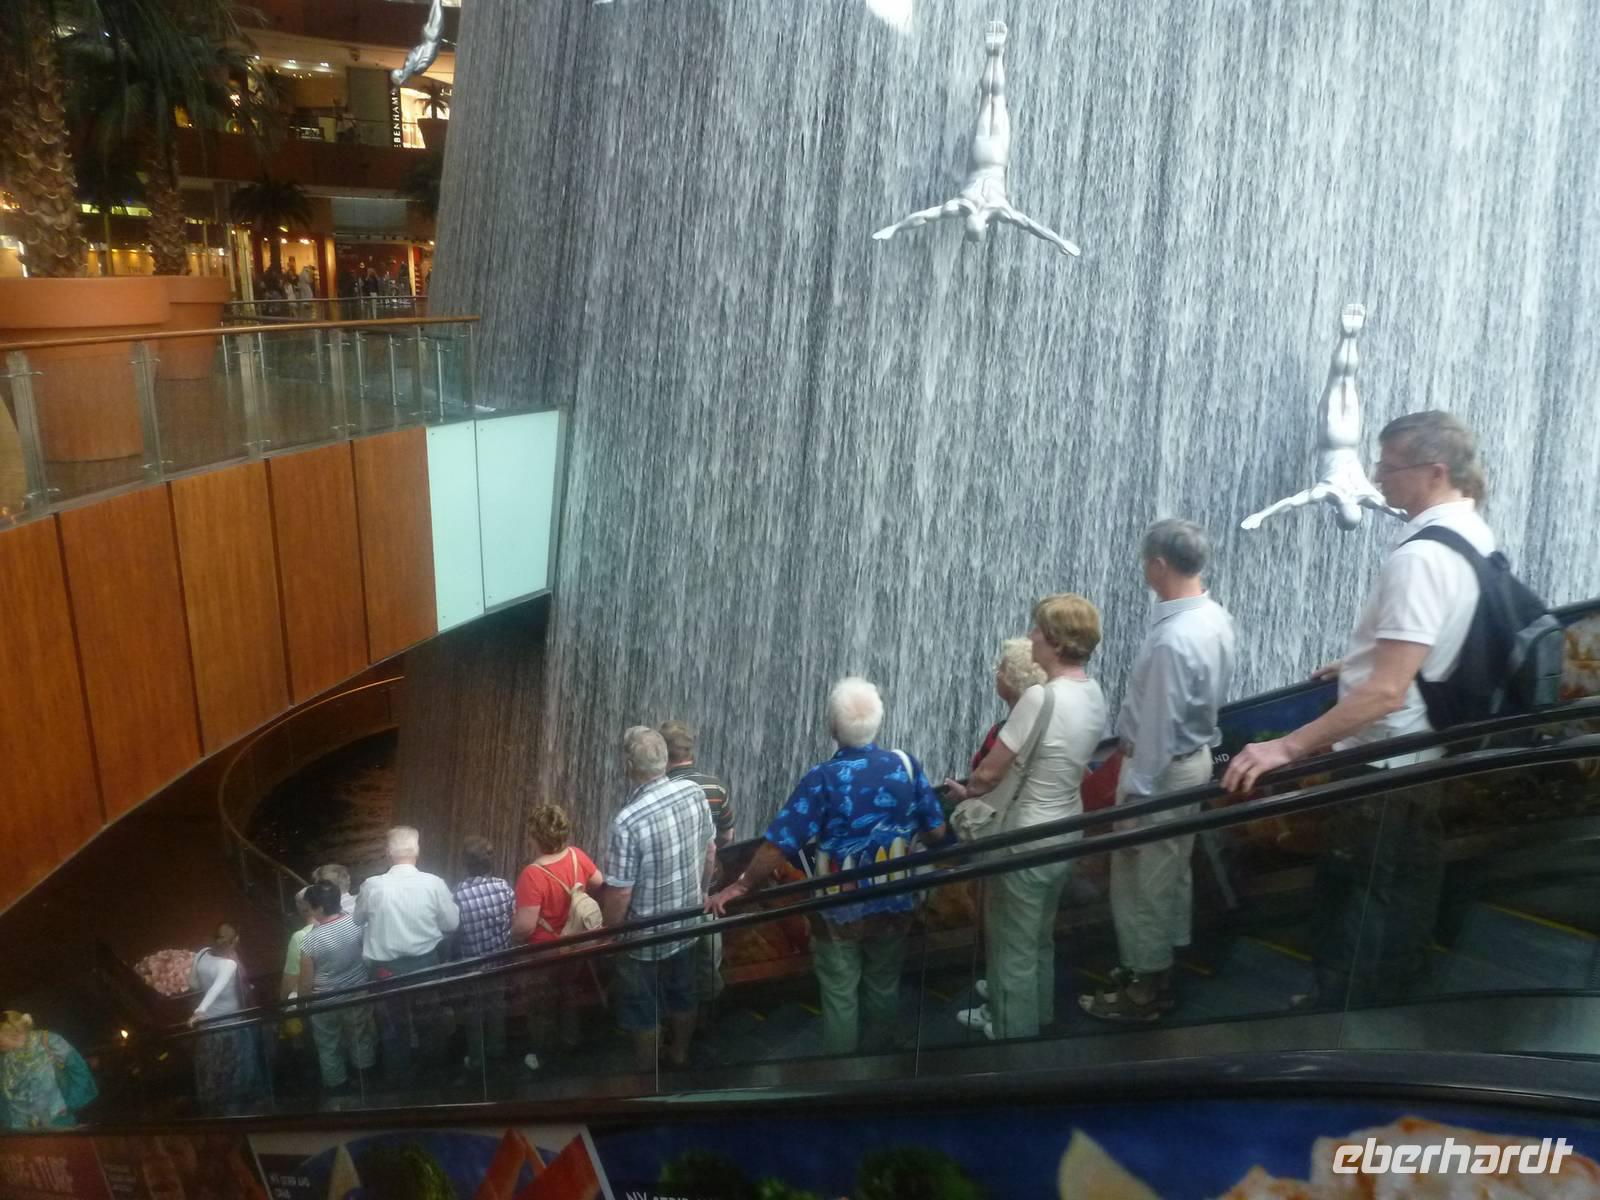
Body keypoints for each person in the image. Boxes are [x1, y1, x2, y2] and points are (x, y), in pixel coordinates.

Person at [1224, 411, 1494, 1005]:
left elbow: (1387, 693)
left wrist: (1285, 746)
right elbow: (1445, 637)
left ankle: (1342, 1018)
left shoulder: (1420, 557)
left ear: (1434, 471)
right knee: (1402, 888)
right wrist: (1362, 662)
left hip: (1384, 764)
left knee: (1364, 891)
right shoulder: (1474, 535)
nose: (1376, 478)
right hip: (1428, 751)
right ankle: (1386, 998)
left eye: (1388, 466)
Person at [709, 678, 947, 1056]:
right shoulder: (907, 766)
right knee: (883, 983)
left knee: (840, 992)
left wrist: (741, 886)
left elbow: (780, 843)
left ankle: (843, 1074)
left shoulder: (823, 779)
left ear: (833, 729)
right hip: (894, 899)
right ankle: (881, 1060)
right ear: (878, 722)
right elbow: (936, 829)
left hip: (839, 908)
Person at [1080, 520, 1236, 1023]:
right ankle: (1158, 969)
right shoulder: (1214, 617)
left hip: (1160, 770)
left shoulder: (1173, 639)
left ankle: (1142, 991)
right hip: (1190, 763)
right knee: (1168, 876)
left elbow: (1159, 729)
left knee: (1141, 882)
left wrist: (1134, 798)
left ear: (1158, 565)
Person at [942, 595, 1108, 1040]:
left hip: (1024, 837)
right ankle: (1039, 1012)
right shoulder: (1094, 693)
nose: (1031, 636)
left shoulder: (1039, 697)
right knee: (1038, 935)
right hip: (1066, 828)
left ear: (1054, 642)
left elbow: (986, 775)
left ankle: (1013, 1038)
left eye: (1037, 630)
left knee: (1013, 941)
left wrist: (966, 792)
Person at [872, 22, 1079, 256]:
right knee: (987, 99)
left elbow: (1032, 226)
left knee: (996, 100)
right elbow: (924, 217)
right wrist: (893, 228)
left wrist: (894, 229)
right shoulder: (962, 206)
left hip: (997, 156)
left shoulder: (998, 209)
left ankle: (996, 55)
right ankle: (993, 55)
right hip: (979, 151)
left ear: (985, 226)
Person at [602, 726, 717, 1071]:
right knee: (684, 993)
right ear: (666, 761)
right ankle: (680, 1055)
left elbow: (621, 891)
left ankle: (647, 1077)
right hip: (687, 921)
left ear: (628, 767)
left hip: (643, 939)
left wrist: (609, 931)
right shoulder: (693, 792)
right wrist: (703, 890)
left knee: (642, 1008)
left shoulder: (627, 821)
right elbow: (710, 849)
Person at [353, 826, 460, 1078]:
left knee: (393, 1026)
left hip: (386, 971)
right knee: (429, 1022)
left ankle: (398, 1078)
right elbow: (451, 924)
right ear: (417, 851)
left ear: (388, 853)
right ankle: (434, 1073)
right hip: (426, 965)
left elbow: (358, 919)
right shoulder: (434, 883)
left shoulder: (372, 886)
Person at [512, 805, 603, 1070]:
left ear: (536, 838)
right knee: (568, 993)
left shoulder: (532, 874)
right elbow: (598, 882)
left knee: (541, 1007)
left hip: (545, 953)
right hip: (575, 944)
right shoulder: (577, 856)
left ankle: (546, 1059)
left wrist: (510, 934)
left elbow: (526, 927)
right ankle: (572, 1041)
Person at [660, 720, 734, 1010]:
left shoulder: (662, 791)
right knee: (707, 956)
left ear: (664, 754)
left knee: (674, 961)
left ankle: (673, 1019)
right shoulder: (715, 786)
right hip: (708, 888)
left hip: (671, 893)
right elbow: (727, 835)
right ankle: (707, 1015)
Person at [297, 881, 376, 1093]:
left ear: (320, 908)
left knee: (328, 1046)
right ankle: (366, 1082)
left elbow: (305, 982)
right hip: (357, 993)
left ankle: (338, 1089)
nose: (309, 911)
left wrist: (301, 1005)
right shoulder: (356, 924)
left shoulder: (309, 941)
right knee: (360, 1037)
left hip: (325, 1004)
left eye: (311, 907)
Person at [452, 835, 514, 1071]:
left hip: (471, 967)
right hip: (499, 963)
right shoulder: (503, 887)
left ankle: (477, 1059)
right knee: (497, 1007)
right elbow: (511, 918)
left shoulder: (457, 894)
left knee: (474, 1013)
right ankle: (498, 1051)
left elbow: (453, 931)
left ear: (465, 864)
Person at [187, 923, 263, 1113]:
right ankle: (235, 1112)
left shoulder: (202, 953)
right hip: (231, 1025)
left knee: (212, 1071)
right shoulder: (229, 964)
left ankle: (214, 1110)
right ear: (236, 939)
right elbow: (217, 987)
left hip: (207, 1027)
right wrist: (199, 1010)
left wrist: (203, 1009)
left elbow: (194, 984)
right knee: (233, 1071)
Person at [0, 1012, 96, 1130]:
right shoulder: (5, 1058)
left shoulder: (49, 1041)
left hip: (57, 1121)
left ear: (11, 1033)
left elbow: (80, 1070)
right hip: (19, 1130)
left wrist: (70, 1104)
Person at [280, 888, 314, 1002]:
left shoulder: (300, 937)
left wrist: (282, 1003)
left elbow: (290, 980)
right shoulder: (338, 924)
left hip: (316, 1003)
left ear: (301, 908)